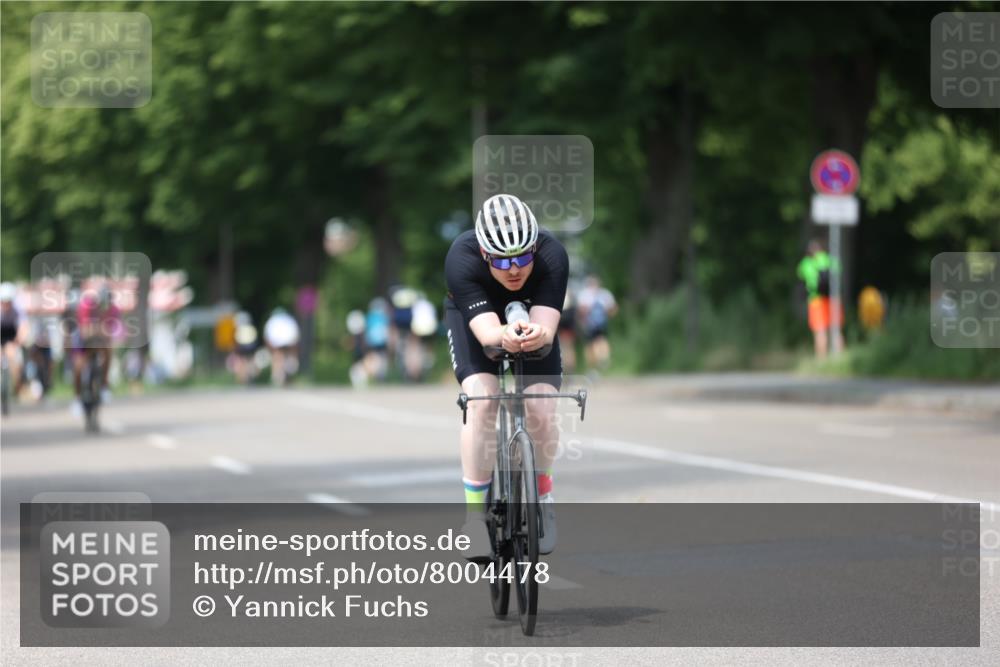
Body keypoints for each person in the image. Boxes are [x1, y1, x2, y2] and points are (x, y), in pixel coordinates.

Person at [444, 193, 568, 561]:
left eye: (522, 257)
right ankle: (473, 518)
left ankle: (542, 495)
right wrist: (503, 336)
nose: (514, 269)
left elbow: (546, 328)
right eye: (501, 260)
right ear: (484, 254)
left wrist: (535, 335)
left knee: (542, 407)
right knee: (482, 401)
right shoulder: (460, 259)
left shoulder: (552, 256)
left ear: (534, 248)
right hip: (477, 318)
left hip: (531, 316)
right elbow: (486, 336)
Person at [71, 283, 123, 416]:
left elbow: (116, 332)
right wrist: (102, 331)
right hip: (84, 339)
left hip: (100, 340)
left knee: (109, 350)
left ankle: (104, 385)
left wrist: (102, 332)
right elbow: (85, 331)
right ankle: (77, 398)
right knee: (78, 367)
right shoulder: (86, 306)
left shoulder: (114, 310)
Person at [797, 239, 844, 358]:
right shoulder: (830, 260)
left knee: (820, 330)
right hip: (833, 298)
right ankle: (840, 359)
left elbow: (801, 275)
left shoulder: (806, 263)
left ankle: (821, 360)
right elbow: (839, 270)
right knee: (836, 330)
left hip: (816, 300)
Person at [576, 275, 618, 371]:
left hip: (590, 324)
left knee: (591, 345)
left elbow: (581, 311)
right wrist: (607, 316)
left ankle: (594, 366)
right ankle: (602, 360)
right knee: (601, 341)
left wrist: (582, 321)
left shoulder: (584, 294)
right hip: (601, 323)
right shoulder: (605, 294)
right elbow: (613, 308)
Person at [1, 283, 27, 406]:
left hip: (12, 338)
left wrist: (18, 343)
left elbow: (23, 327)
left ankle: (16, 384)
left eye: (8, 302)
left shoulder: (18, 309)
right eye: (3, 302)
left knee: (15, 360)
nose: (6, 304)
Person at [263, 307, 300, 386]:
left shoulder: (272, 320)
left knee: (277, 357)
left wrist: (270, 348)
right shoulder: (290, 319)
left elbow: (267, 336)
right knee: (289, 356)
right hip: (289, 341)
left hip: (277, 342)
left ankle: (278, 375)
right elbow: (295, 333)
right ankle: (289, 369)